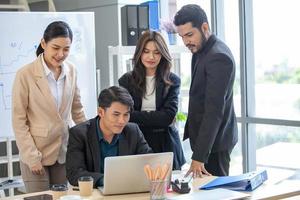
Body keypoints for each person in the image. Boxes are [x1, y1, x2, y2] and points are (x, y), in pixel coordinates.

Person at [12, 21, 86, 192]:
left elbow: (77, 110)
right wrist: (31, 157)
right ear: (44, 44)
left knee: (64, 197)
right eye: (56, 47)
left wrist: (88, 143)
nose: (61, 54)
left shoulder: (72, 70)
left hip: (64, 151)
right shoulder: (25, 74)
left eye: (66, 49)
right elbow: (18, 121)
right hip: (36, 153)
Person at [174, 4, 238, 177]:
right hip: (207, 142)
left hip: (215, 146)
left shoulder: (218, 57)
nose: (186, 41)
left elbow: (214, 111)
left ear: (205, 27)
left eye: (189, 34)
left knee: (217, 194)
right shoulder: (201, 50)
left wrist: (199, 156)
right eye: (182, 37)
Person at [118, 30, 186, 170]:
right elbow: (126, 115)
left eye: (156, 52)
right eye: (146, 51)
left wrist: (137, 115)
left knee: (166, 189)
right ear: (139, 53)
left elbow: (168, 117)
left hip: (165, 143)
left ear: (163, 54)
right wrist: (155, 116)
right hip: (135, 141)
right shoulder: (126, 81)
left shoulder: (173, 81)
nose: (151, 57)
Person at [66, 86, 152, 187]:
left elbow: (149, 161)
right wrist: (107, 180)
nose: (122, 121)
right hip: (94, 194)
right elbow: (75, 174)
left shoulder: (133, 131)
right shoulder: (79, 134)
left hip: (127, 192)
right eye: (116, 114)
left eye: (126, 115)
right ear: (101, 112)